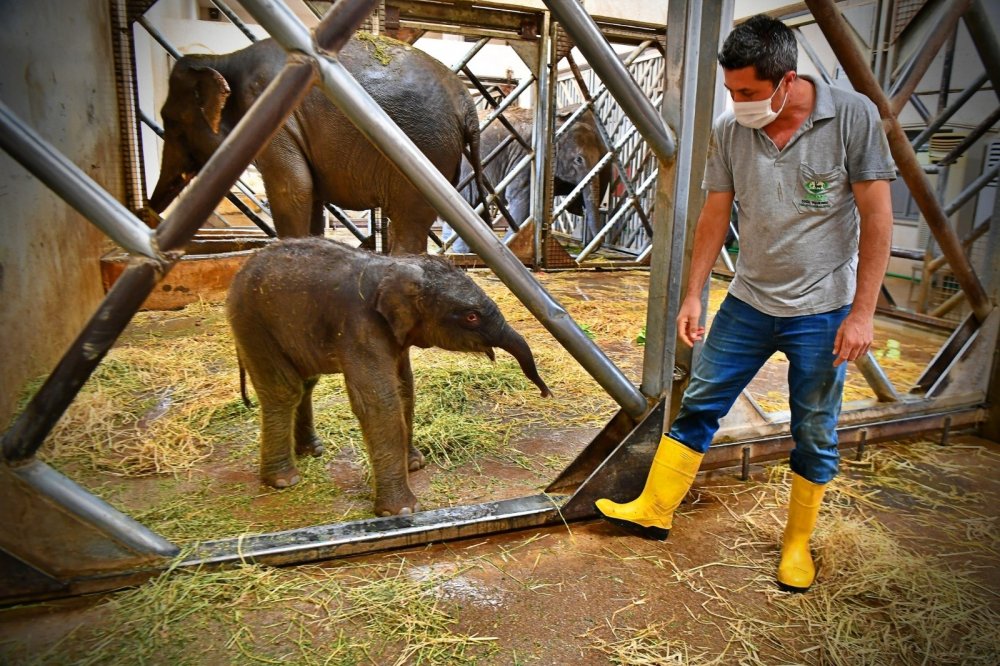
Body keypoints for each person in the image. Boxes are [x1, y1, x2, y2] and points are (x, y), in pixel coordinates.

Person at [595, 14, 895, 593]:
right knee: (701, 401)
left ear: (786, 79)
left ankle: (797, 543)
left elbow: (878, 218)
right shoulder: (733, 129)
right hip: (750, 299)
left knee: (814, 425)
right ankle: (654, 509)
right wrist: (694, 294)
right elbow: (714, 215)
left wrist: (862, 312)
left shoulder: (851, 116)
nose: (738, 103)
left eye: (749, 92)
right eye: (732, 91)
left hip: (822, 308)